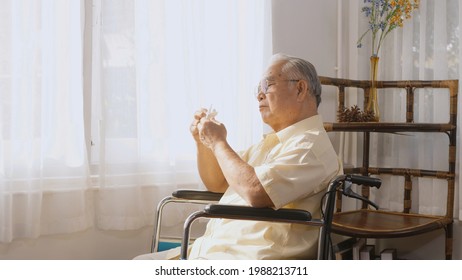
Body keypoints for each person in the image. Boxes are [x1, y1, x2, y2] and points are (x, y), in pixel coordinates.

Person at [134, 53, 342, 260]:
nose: (259, 95)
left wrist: (218, 142)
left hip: (250, 258)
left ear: (300, 89)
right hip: (213, 251)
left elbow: (256, 191)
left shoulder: (311, 146)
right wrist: (204, 142)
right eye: (257, 89)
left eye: (267, 85)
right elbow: (218, 182)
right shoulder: (268, 144)